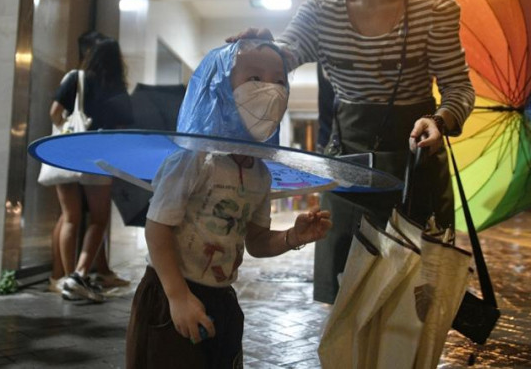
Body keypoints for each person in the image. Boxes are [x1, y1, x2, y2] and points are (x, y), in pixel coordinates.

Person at [228, 0, 475, 304]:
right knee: (348, 302)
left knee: (412, 307)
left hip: (414, 166)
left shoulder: (434, 10)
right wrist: (261, 49)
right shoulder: (319, 12)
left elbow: (458, 88)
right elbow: (285, 55)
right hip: (345, 167)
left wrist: (439, 121)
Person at [125, 40, 332, 369]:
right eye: (254, 78)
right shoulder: (193, 158)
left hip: (221, 297)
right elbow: (157, 228)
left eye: (280, 81)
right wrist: (177, 297)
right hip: (169, 292)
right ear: (220, 89)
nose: (271, 90)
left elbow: (257, 241)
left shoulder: (260, 174)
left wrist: (293, 237)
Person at [50, 38, 134, 302]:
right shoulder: (118, 89)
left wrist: (68, 131)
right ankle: (80, 274)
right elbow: (122, 130)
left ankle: (65, 279)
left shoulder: (76, 78)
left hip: (68, 152)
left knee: (70, 216)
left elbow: (54, 112)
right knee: (98, 219)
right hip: (99, 157)